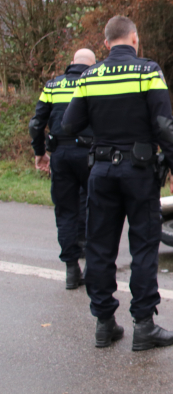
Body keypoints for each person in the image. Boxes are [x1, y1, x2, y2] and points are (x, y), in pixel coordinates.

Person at [62, 16, 173, 351]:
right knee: (143, 246)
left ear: (106, 44)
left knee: (100, 247)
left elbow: (69, 124)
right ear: (134, 39)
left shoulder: (89, 76)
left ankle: (104, 324)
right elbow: (163, 124)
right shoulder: (148, 71)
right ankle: (144, 326)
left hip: (101, 172)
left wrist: (102, 132)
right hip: (139, 172)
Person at [29, 49, 97, 289]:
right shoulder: (96, 83)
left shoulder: (52, 86)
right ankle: (91, 267)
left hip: (60, 155)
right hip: (91, 155)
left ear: (71, 63)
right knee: (95, 208)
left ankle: (71, 269)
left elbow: (36, 124)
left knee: (66, 211)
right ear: (92, 66)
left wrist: (40, 152)